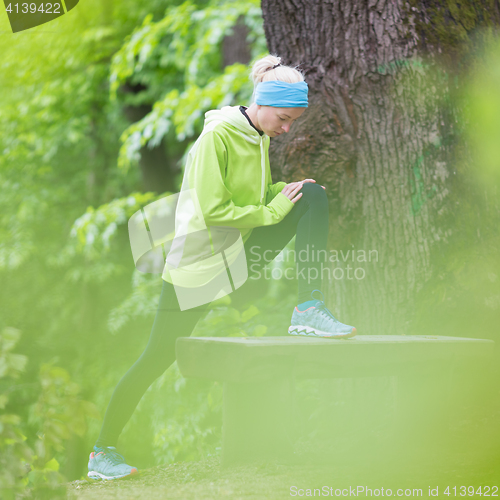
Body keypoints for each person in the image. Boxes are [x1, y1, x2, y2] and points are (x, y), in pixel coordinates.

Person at [87, 54, 357, 480]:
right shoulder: (218, 136)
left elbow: (250, 193)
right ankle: (102, 452)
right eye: (284, 119)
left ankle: (309, 307)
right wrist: (272, 211)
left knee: (313, 197)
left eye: (292, 122)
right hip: (199, 266)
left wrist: (281, 191)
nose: (286, 129)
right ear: (263, 103)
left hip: (238, 254)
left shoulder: (258, 134)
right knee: (156, 357)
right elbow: (213, 208)